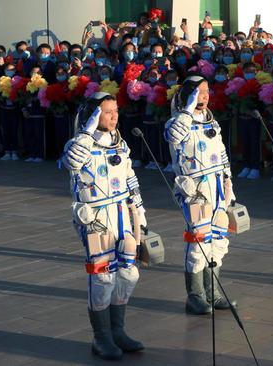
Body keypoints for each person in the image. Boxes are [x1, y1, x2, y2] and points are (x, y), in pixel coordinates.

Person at [62, 93, 146, 360]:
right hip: (95, 217)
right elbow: (72, 162)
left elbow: (130, 178)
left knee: (128, 273)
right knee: (102, 278)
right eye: (106, 112)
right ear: (92, 116)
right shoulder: (79, 145)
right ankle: (102, 337)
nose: (113, 117)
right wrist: (87, 131)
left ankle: (117, 331)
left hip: (122, 213)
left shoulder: (120, 144)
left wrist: (140, 213)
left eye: (115, 111)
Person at [164, 74, 238, 315]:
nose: (203, 97)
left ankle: (213, 291)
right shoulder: (177, 122)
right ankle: (195, 295)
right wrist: (187, 109)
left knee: (218, 240)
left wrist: (229, 186)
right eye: (197, 92)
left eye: (206, 92)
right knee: (198, 241)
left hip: (217, 188)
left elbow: (223, 155)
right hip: (194, 191)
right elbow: (173, 137)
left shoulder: (211, 123)